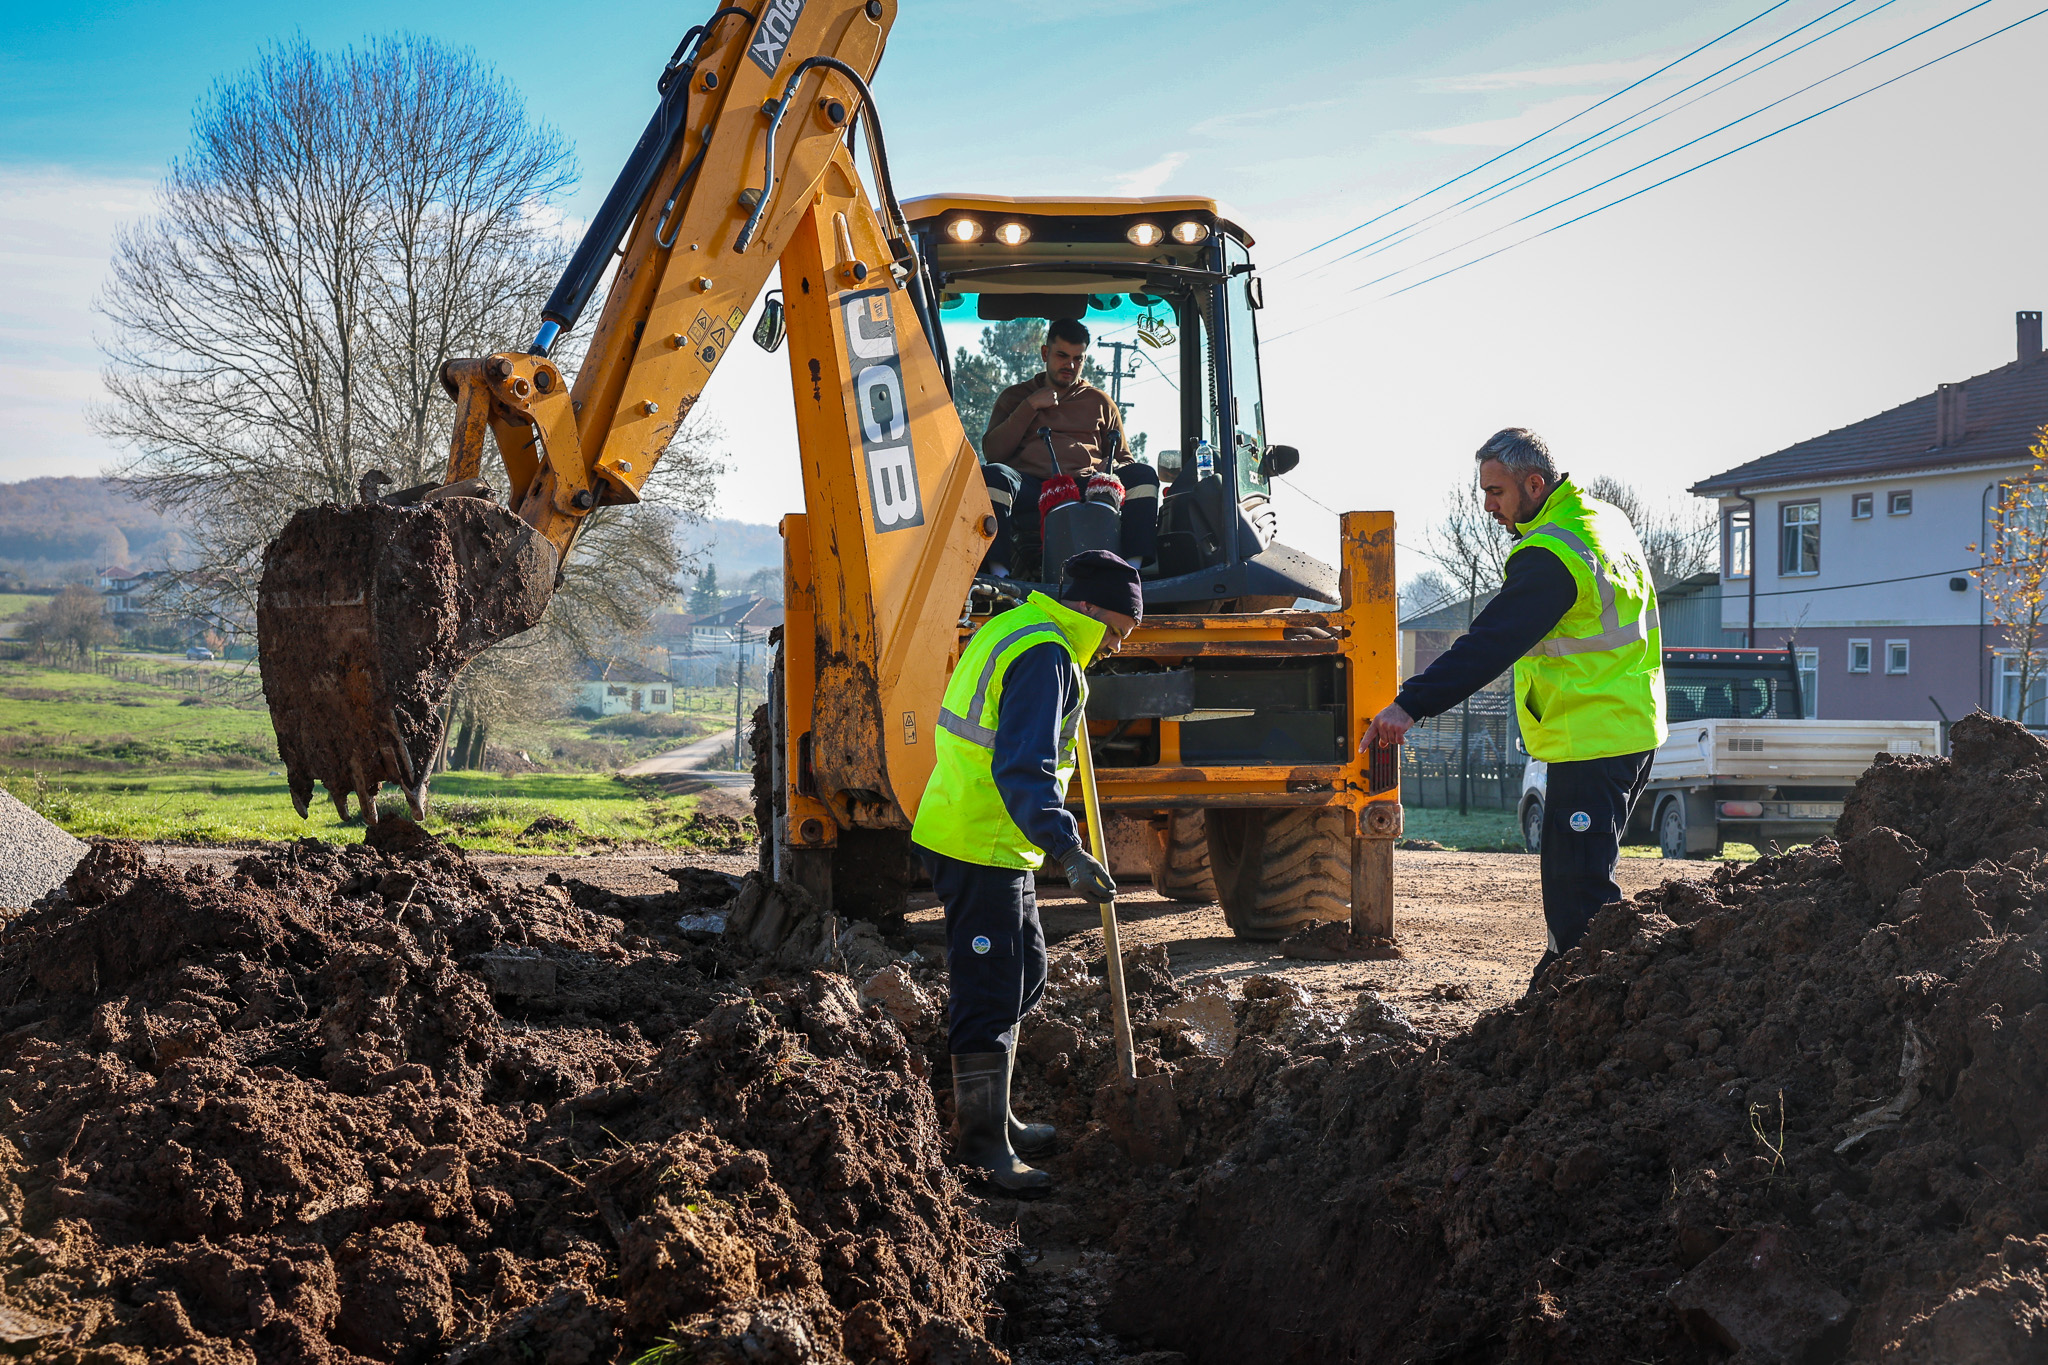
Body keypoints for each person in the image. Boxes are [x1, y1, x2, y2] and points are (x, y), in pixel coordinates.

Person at [1360, 428, 1665, 988]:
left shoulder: (1552, 555)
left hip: (1594, 737)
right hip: (1628, 726)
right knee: (1577, 879)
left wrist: (1410, 704)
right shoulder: (1603, 520)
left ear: (1534, 483)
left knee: (1580, 893)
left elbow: (1490, 643)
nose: (1488, 506)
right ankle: (1557, 991)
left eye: (1496, 492)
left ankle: (1590, 1006)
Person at [909, 549, 1141, 1196]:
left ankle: (999, 1115)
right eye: (1116, 632)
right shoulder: (1047, 658)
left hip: (986, 837)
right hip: (978, 841)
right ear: (1090, 609)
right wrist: (1069, 852)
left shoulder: (1019, 628)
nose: (1113, 647)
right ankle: (983, 1149)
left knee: (1026, 971)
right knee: (990, 988)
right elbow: (1022, 770)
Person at [979, 318, 1159, 574]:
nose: (1070, 365)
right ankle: (1000, 575)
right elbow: (993, 453)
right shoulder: (1015, 397)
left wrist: (1110, 472)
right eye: (1062, 356)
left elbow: (1124, 458)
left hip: (1087, 485)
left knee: (1143, 476)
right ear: (1045, 353)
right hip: (1033, 486)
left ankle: (1131, 572)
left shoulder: (1100, 402)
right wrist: (1030, 406)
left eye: (1078, 359)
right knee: (993, 476)